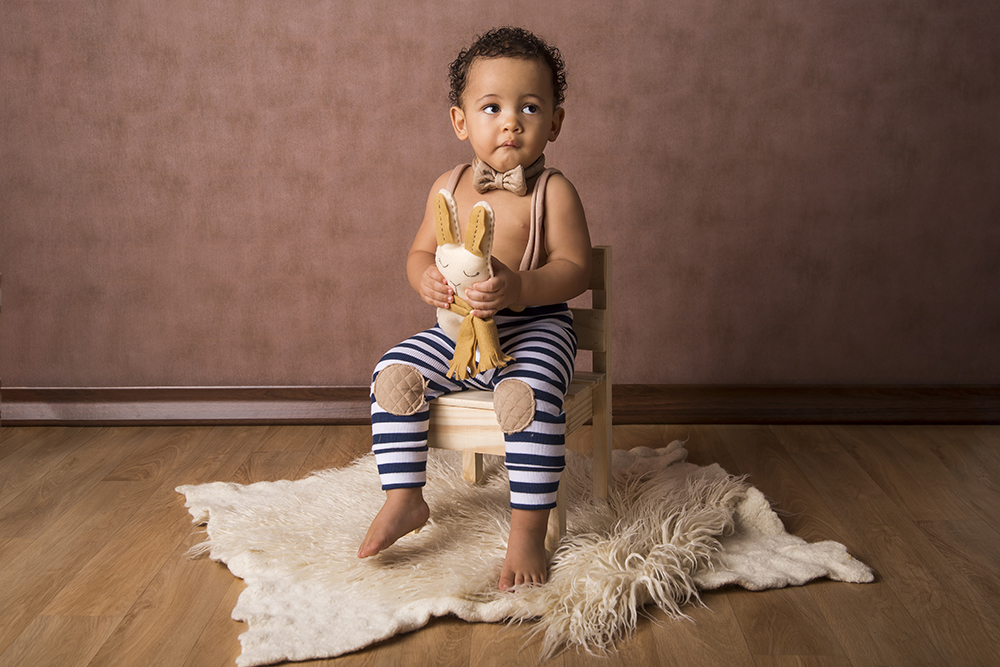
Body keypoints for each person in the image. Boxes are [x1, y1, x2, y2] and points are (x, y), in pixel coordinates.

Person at [358, 26, 592, 591]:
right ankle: (405, 496)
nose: (510, 121)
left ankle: (527, 531)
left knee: (526, 400)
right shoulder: (449, 185)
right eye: (492, 107)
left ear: (555, 121)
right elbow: (418, 253)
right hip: (457, 330)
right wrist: (427, 281)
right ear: (461, 121)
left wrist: (520, 288)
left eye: (529, 107)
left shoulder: (553, 192)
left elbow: (575, 270)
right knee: (392, 376)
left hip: (534, 329)